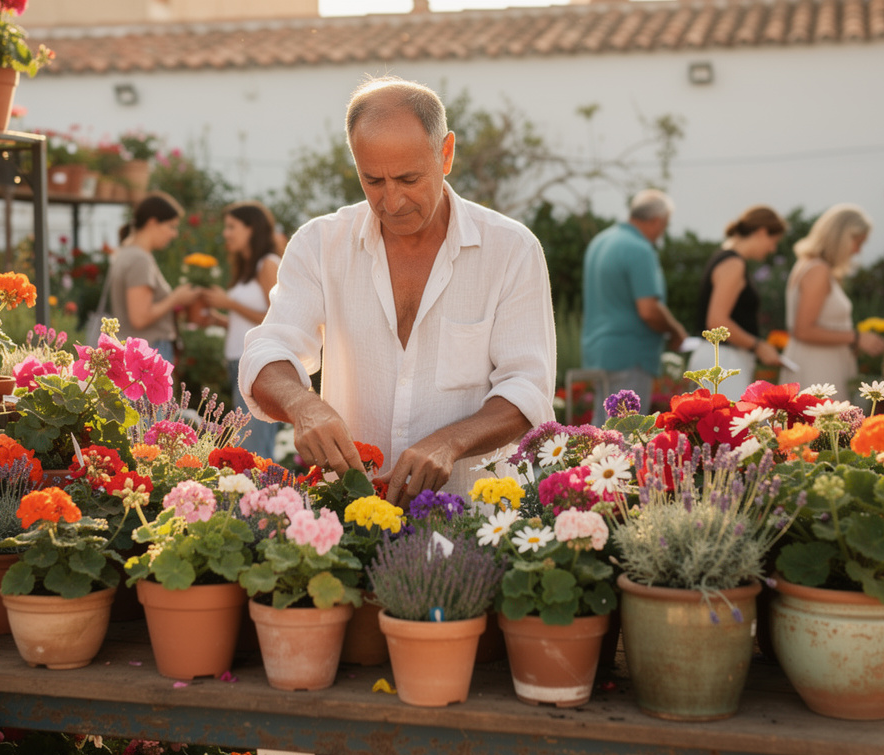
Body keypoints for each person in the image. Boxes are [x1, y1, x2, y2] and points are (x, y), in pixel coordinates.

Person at [239, 75, 556, 505]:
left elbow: (528, 387)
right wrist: (303, 405)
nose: (391, 201)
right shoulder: (319, 244)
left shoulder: (511, 250)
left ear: (445, 154)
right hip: (352, 521)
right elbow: (267, 351)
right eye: (373, 181)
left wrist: (451, 442)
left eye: (408, 179)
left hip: (479, 523)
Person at [580, 189, 687, 424]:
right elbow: (648, 309)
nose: (662, 232)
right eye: (665, 224)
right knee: (626, 435)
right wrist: (675, 330)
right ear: (657, 220)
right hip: (630, 354)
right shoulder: (639, 248)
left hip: (598, 351)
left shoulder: (601, 241)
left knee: (603, 432)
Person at [202, 201, 284, 460]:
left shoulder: (267, 264)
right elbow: (251, 322)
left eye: (231, 227)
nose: (226, 233)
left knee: (254, 449)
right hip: (239, 363)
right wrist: (222, 320)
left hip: (256, 365)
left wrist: (230, 304)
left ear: (252, 229)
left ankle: (264, 499)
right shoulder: (247, 268)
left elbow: (278, 318)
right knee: (248, 445)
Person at [780, 204, 884, 400]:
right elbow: (804, 330)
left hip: (820, 364)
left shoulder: (814, 267)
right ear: (842, 237)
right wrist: (856, 337)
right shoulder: (817, 270)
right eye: (858, 242)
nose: (857, 251)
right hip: (817, 369)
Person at [687, 205, 788, 400]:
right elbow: (716, 321)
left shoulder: (726, 258)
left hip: (720, 359)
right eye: (773, 241)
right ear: (761, 232)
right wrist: (759, 346)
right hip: (722, 360)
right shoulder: (733, 263)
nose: (772, 248)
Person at [107, 192, 198, 364]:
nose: (174, 234)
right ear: (152, 222)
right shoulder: (140, 259)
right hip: (146, 354)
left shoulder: (126, 253)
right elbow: (140, 318)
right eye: (171, 226)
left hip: (134, 353)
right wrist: (175, 298)